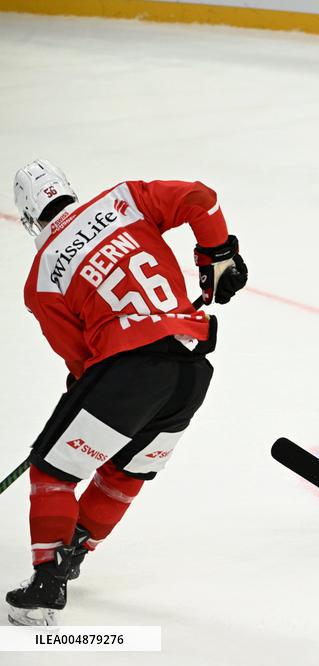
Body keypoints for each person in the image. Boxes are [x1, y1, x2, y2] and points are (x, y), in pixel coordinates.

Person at [6, 160, 248, 626]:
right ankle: (72, 554)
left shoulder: (41, 278)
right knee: (124, 473)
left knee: (52, 471)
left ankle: (45, 586)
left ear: (30, 217)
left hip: (127, 372)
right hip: (191, 371)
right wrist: (216, 255)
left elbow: (81, 363)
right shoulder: (124, 199)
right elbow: (201, 198)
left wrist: (85, 405)